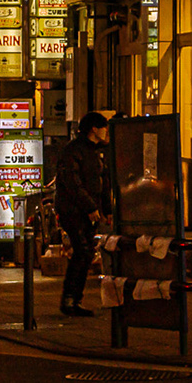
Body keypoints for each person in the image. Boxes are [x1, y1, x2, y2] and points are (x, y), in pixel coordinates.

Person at [53, 112, 111, 317]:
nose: (106, 131)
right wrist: (90, 206)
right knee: (82, 251)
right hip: (73, 210)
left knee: (85, 253)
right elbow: (72, 182)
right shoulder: (73, 151)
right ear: (94, 129)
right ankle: (69, 299)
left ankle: (73, 299)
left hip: (88, 211)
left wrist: (107, 209)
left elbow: (103, 184)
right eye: (104, 127)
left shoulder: (97, 152)